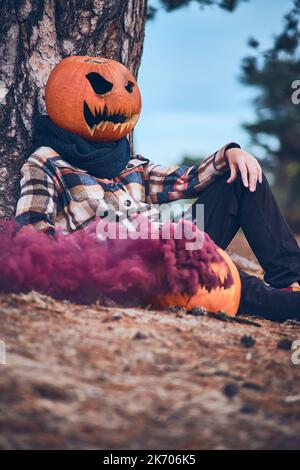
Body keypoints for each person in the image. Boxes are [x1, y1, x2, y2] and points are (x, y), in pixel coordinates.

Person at [15, 56, 300, 321]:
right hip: (130, 269)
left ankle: (290, 280)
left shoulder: (127, 162)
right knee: (229, 279)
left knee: (239, 177)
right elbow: (33, 232)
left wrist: (229, 154)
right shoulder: (46, 162)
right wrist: (91, 263)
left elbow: (187, 180)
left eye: (127, 88)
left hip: (168, 244)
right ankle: (282, 304)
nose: (117, 99)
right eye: (102, 87)